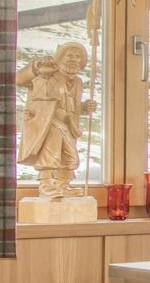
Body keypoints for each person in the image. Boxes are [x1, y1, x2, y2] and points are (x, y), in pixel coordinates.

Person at [16, 41, 95, 197]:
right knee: (51, 149)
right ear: (60, 58)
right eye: (70, 55)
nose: (73, 59)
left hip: (68, 124)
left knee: (70, 154)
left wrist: (84, 107)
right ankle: (46, 183)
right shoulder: (48, 74)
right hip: (47, 121)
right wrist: (37, 65)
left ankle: (62, 185)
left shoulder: (78, 82)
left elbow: (71, 105)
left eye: (78, 56)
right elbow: (19, 79)